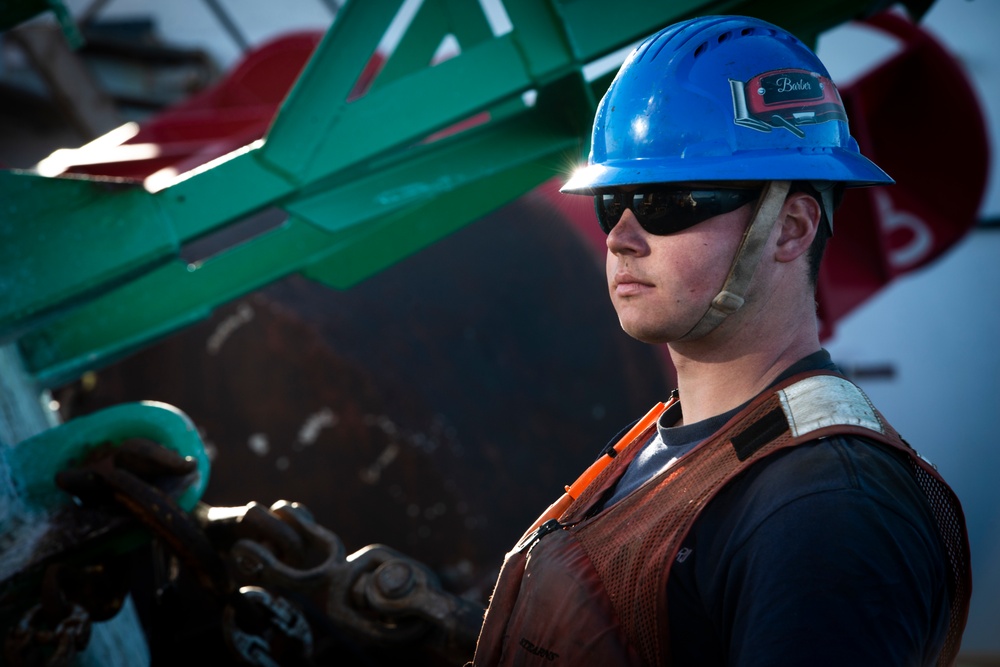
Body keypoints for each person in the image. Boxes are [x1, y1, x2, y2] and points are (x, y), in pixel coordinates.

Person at [470, 15, 971, 667]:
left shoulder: (826, 510)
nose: (621, 235)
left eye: (664, 202)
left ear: (791, 228)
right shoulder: (664, 444)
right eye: (611, 201)